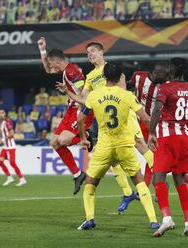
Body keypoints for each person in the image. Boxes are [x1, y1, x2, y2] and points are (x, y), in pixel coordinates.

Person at [61, 42, 146, 213]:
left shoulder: (112, 69)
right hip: (105, 120)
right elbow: (84, 100)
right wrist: (68, 93)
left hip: (124, 115)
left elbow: (122, 91)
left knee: (140, 144)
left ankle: (159, 179)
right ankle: (128, 193)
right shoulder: (90, 76)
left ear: (102, 52)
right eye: (87, 53)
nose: (90, 54)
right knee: (113, 159)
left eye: (93, 51)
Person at [72, 62, 159, 230]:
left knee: (90, 183)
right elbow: (146, 119)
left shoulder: (94, 96)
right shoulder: (127, 96)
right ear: (120, 77)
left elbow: (80, 119)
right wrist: (152, 134)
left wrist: (83, 138)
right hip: (124, 146)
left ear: (104, 76)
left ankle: (90, 219)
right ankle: (153, 220)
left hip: (104, 148)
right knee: (139, 181)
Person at [130, 63, 188, 196]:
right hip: (137, 122)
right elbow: (127, 89)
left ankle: (145, 190)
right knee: (157, 158)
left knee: (154, 157)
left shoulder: (166, 87)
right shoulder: (138, 77)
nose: (168, 77)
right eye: (165, 75)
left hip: (154, 125)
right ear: (156, 73)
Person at [148, 58, 188, 237]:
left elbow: (156, 110)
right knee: (179, 179)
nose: (166, 69)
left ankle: (166, 219)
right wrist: (183, 126)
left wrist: (151, 133)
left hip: (167, 137)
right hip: (184, 137)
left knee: (158, 179)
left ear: (173, 69)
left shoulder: (166, 88)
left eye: (169, 66)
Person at [38, 37, 88, 195]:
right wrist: (42, 50)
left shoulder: (72, 71)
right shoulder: (67, 70)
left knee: (63, 140)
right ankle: (78, 174)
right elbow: (47, 69)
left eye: (50, 62)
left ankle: (86, 136)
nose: (50, 67)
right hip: (70, 111)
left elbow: (85, 93)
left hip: (79, 110)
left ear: (55, 61)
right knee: (54, 142)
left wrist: (83, 109)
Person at [0, 109, 26, 187]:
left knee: (12, 163)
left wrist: (3, 139)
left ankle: (22, 179)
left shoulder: (7, 121)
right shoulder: (1, 123)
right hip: (5, 147)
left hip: (10, 146)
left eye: (2, 113)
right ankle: (9, 178)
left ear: (5, 113)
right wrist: (0, 138)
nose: (0, 114)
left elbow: (12, 134)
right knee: (0, 161)